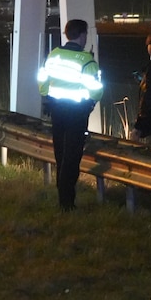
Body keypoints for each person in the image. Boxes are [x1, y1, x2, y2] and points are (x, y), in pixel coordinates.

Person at [37, 18, 103, 211]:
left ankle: (62, 197)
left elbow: (42, 83)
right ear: (82, 35)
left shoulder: (53, 55)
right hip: (77, 113)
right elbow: (97, 91)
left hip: (57, 111)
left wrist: (49, 93)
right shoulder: (87, 61)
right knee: (72, 157)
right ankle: (67, 202)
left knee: (60, 154)